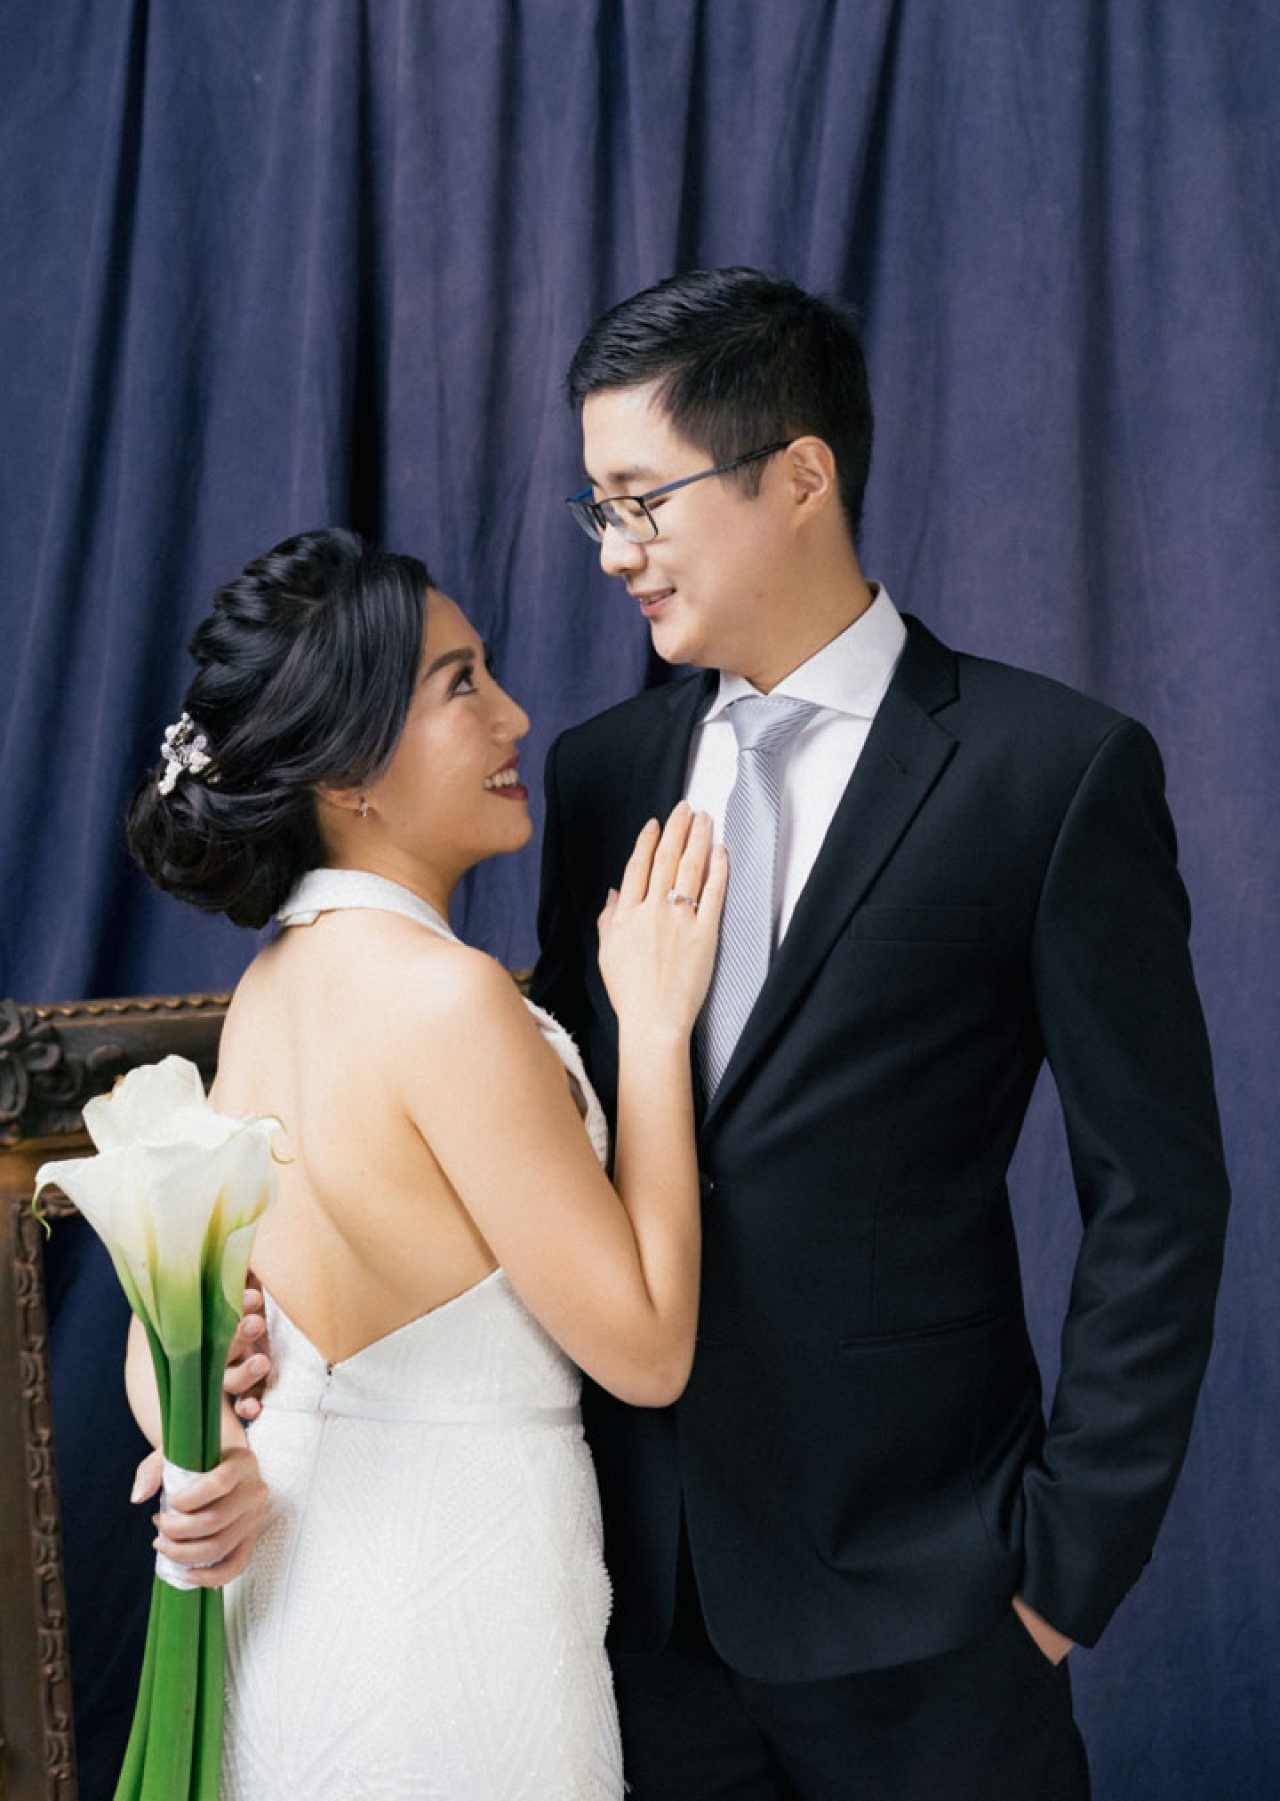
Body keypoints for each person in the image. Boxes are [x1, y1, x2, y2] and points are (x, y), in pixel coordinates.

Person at [530, 266, 1230, 1800]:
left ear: (800, 476)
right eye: (598, 510)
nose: (615, 553)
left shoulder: (1050, 772)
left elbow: (1158, 1195)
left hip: (938, 1609)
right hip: (637, 1601)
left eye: (644, 502)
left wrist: (1064, 1573)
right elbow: (544, 1144)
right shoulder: (598, 776)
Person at [122, 526, 726, 1798]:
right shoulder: (445, 1002)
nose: (513, 717)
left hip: (300, 1615)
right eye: (461, 685)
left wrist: (195, 1439)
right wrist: (654, 1029)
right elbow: (646, 1347)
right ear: (350, 772)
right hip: (463, 1626)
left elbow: (176, 1326)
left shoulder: (271, 991)